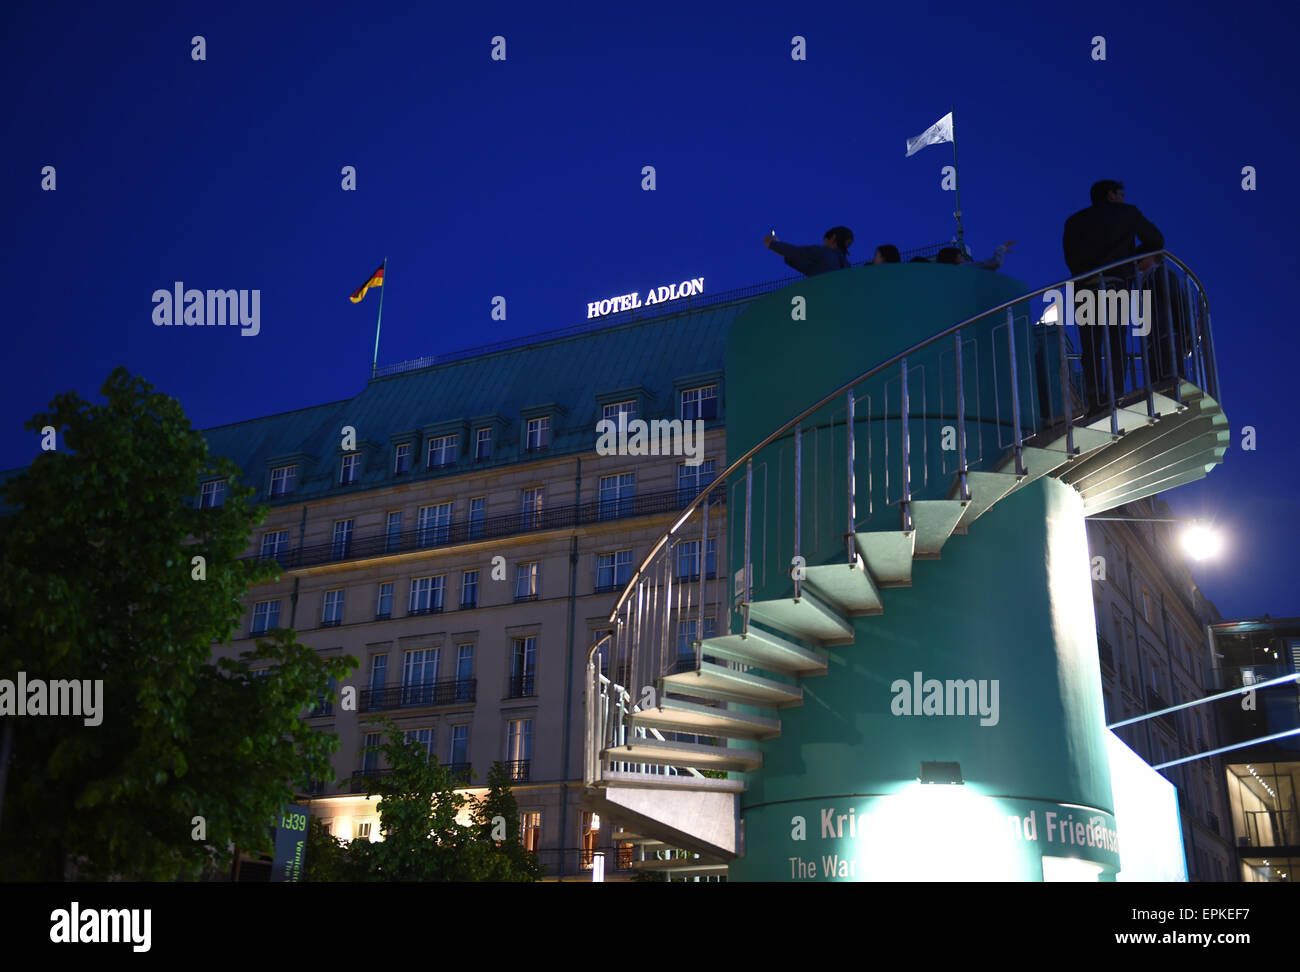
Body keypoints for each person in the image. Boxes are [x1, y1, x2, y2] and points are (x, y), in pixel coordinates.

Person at [1062, 180, 1166, 409]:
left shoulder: (1074, 221)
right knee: (1116, 340)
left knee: (1091, 344)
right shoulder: (1126, 213)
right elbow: (1156, 240)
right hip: (1114, 283)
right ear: (1111, 195)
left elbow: (1069, 255)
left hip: (1084, 286)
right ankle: (1114, 393)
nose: (1123, 198)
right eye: (1121, 194)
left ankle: (1094, 395)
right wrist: (1130, 259)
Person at [764, 226, 854, 276]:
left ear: (833, 237)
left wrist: (773, 244)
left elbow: (797, 252)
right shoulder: (847, 266)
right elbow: (808, 268)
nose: (823, 245)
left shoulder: (825, 253)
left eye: (825, 242)